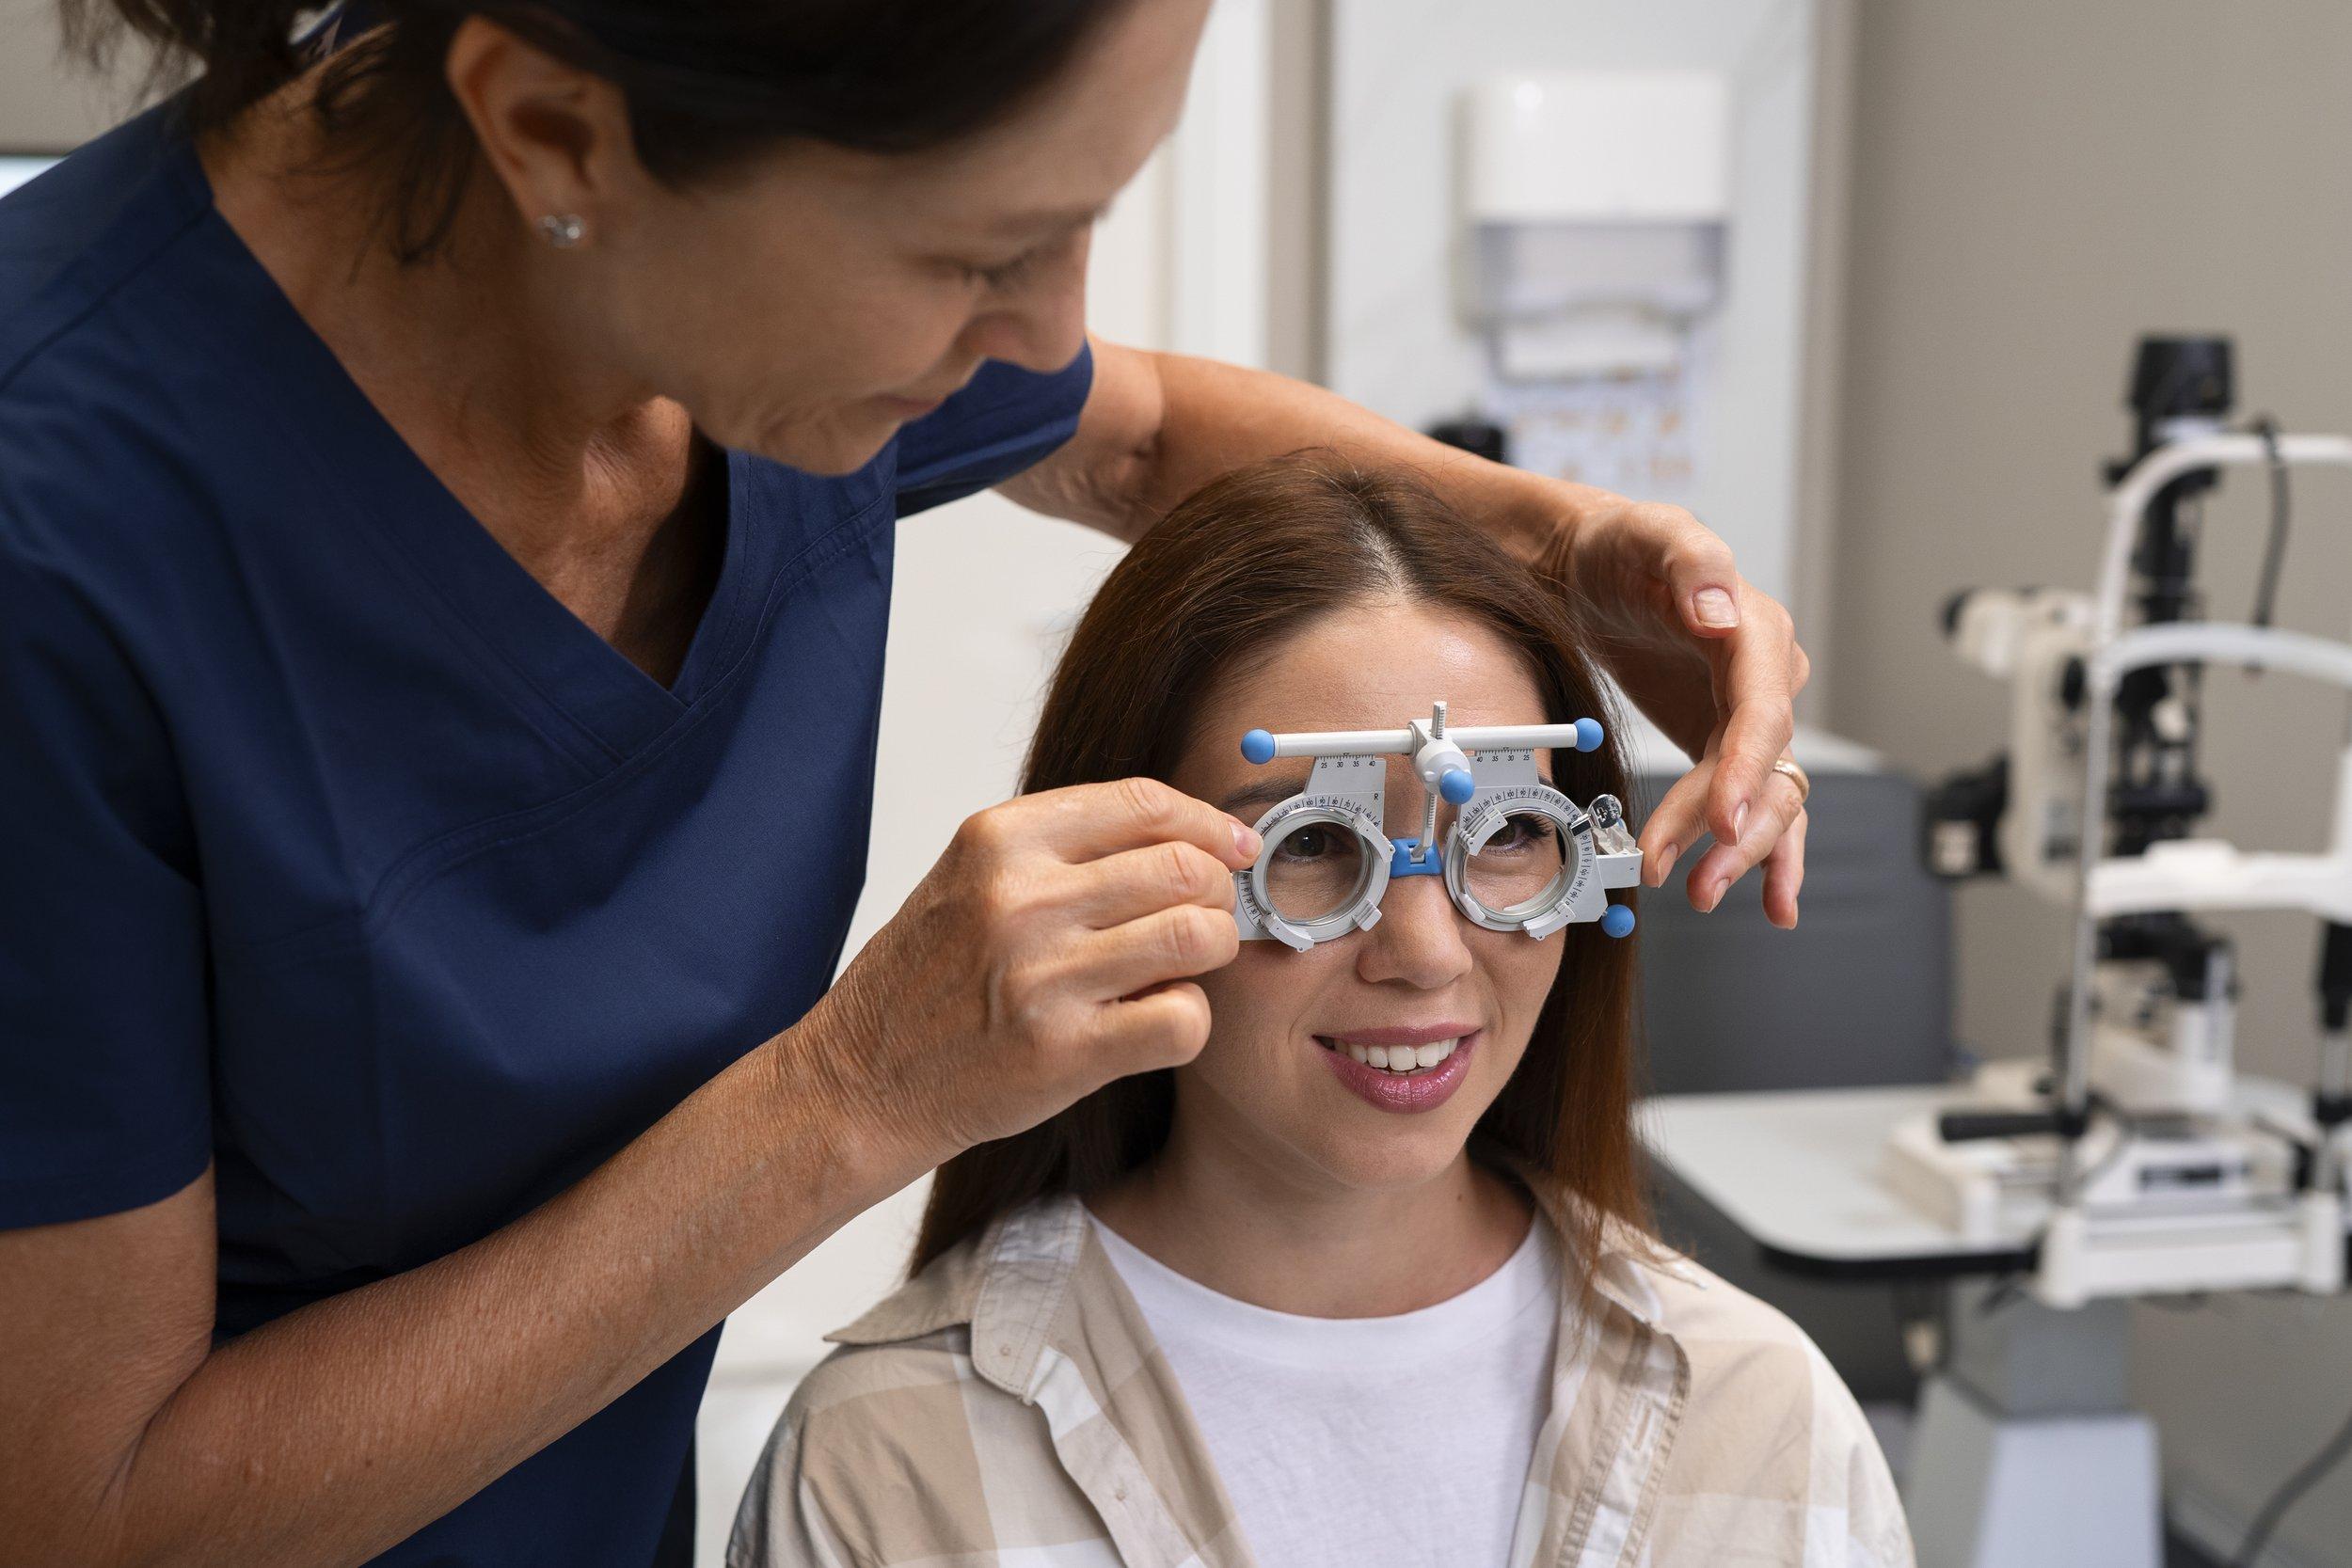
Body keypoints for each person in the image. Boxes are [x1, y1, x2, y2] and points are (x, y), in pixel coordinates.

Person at [0, 2, 1814, 1563]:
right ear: (556, 134)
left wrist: (1555, 546)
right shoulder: (64, 548)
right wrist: (851, 1093)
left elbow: (1141, 436)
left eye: (1086, 218)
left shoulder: (700, 281)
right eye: (978, 257)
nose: (1042, 340)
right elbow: (80, 1508)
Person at [732, 459, 1907, 1568]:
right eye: (1312, 849)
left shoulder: (1764, 1420)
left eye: (1503, 836)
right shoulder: (886, 1465)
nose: (1423, 952)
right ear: (1112, 883)